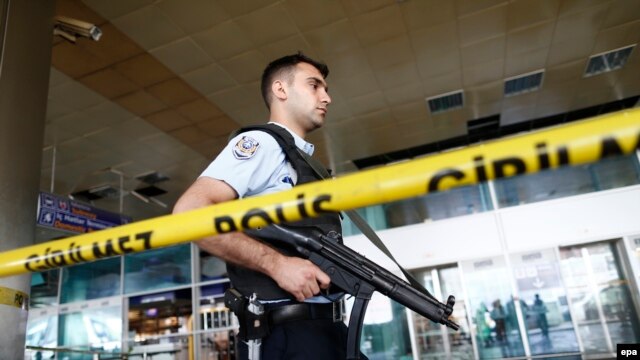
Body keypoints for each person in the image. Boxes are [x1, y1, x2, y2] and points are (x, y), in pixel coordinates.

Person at [173, 52, 365, 359]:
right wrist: (277, 265)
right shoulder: (263, 144)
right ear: (281, 90)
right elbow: (189, 214)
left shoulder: (301, 160)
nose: (326, 97)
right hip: (287, 334)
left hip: (324, 330)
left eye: (326, 89)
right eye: (315, 85)